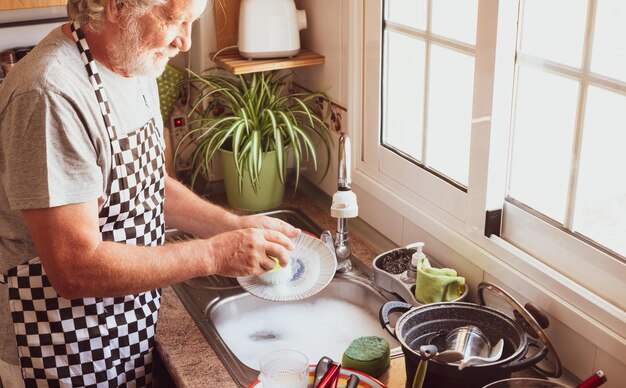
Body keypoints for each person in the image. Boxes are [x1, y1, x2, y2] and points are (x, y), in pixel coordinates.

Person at [0, 0, 301, 386]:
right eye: (175, 20)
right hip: (59, 348)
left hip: (124, 328)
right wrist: (214, 253)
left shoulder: (136, 61)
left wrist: (230, 224)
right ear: (117, 6)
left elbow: (145, 184)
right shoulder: (50, 93)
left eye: (192, 22)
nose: (185, 41)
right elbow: (74, 268)